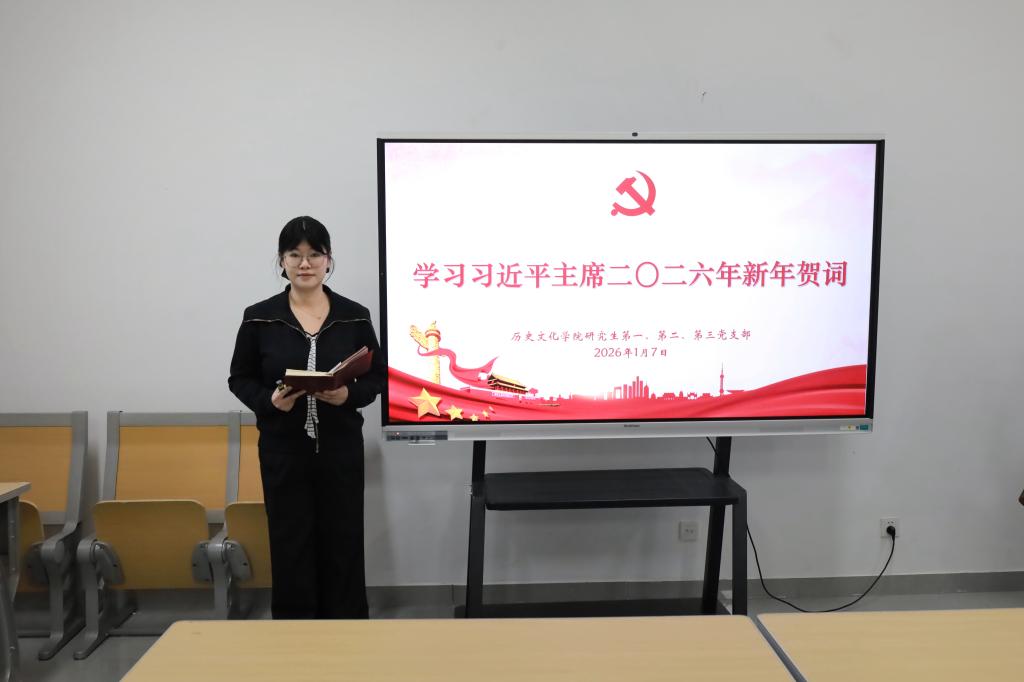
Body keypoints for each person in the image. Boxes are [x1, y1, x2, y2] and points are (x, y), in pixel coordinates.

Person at [228, 216, 385, 619]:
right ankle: (294, 636)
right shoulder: (259, 317)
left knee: (343, 540)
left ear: (328, 259)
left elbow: (378, 376)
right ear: (281, 260)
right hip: (283, 451)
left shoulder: (355, 316)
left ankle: (347, 631)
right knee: (290, 542)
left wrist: (349, 394)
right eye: (294, 254)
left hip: (341, 449)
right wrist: (269, 402)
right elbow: (239, 378)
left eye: (315, 254)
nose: (305, 263)